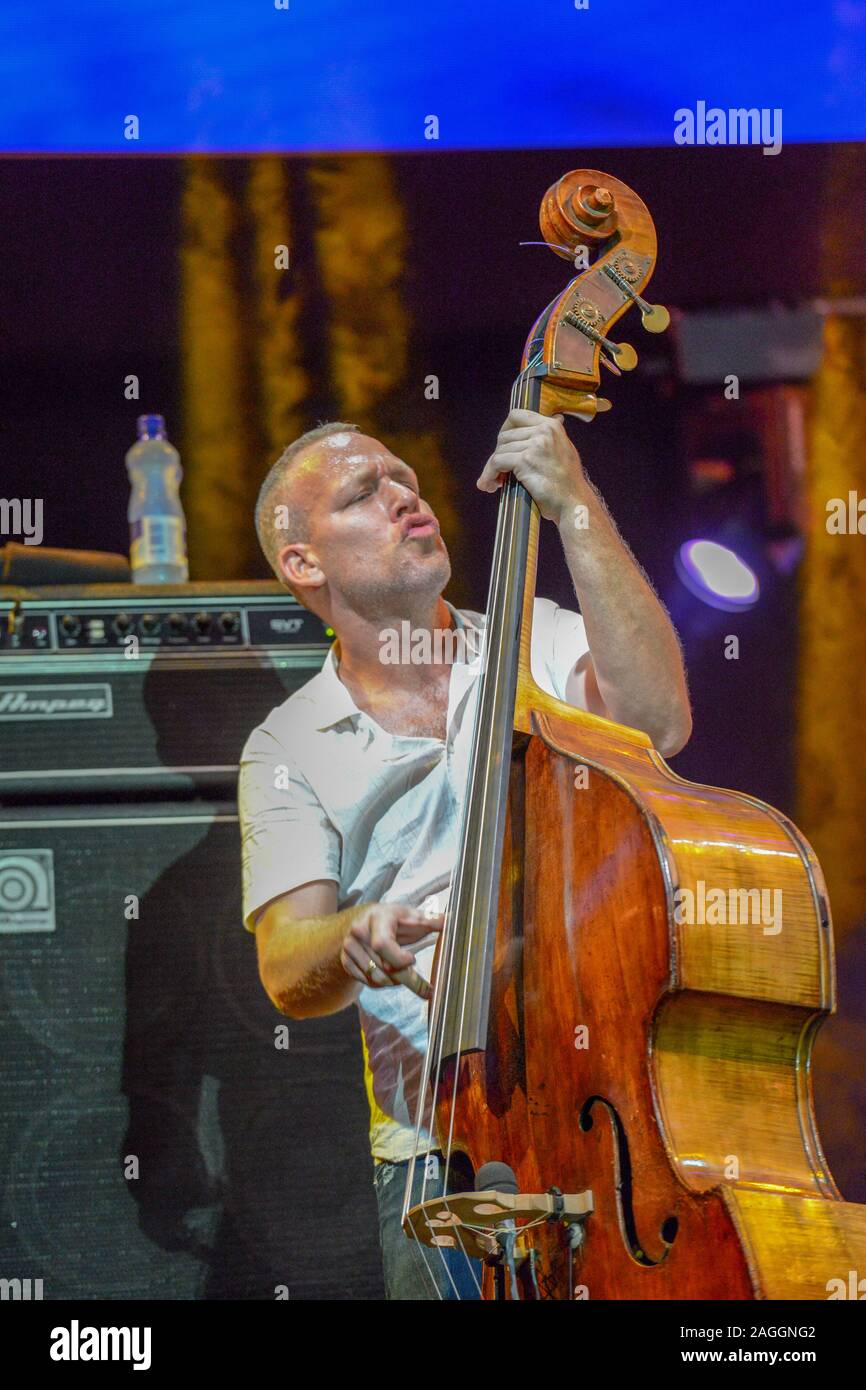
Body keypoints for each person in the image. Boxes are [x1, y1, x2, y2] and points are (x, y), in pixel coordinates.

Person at [238, 409, 692, 1299]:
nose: (405, 496)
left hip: (617, 1125)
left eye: (403, 478)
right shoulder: (287, 745)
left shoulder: (540, 643)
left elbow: (658, 723)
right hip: (441, 1164)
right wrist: (350, 936)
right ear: (304, 563)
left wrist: (576, 507)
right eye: (365, 493)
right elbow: (285, 964)